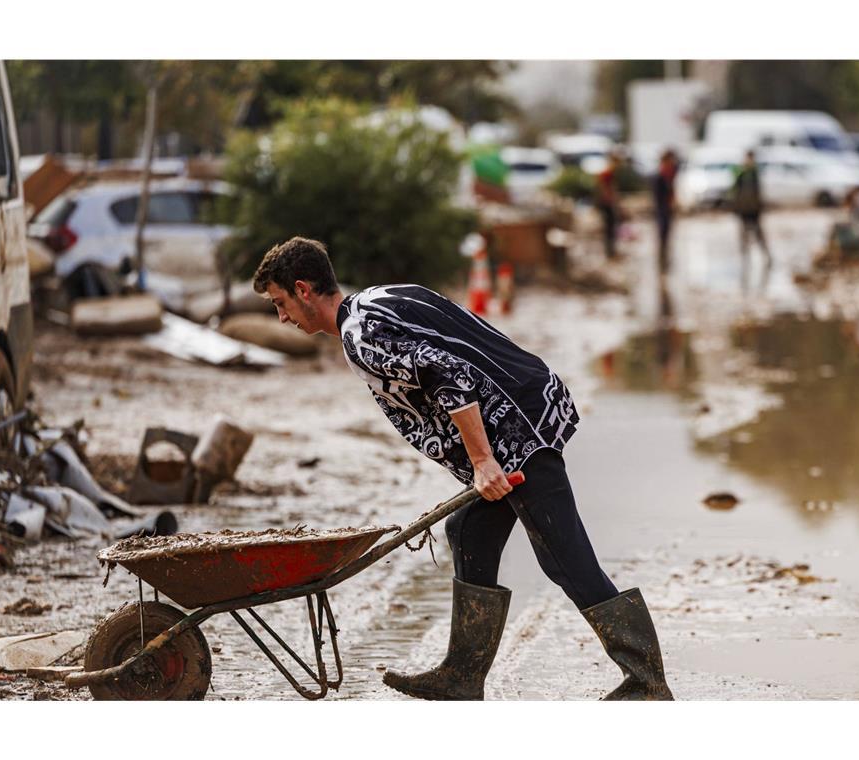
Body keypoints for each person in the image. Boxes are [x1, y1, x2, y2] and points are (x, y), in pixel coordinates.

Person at [251, 236, 673, 701]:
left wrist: (482, 460)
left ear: (304, 289)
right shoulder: (379, 298)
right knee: (468, 531)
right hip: (526, 406)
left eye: (281, 303)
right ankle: (462, 674)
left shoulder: (360, 335)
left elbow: (451, 376)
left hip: (515, 433)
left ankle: (646, 681)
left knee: (564, 556)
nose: (282, 318)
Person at [731, 150, 772, 289]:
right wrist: (736, 208)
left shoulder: (755, 174)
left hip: (754, 211)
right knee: (744, 236)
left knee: (759, 234)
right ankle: (745, 258)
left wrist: (760, 207)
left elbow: (758, 192)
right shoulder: (741, 174)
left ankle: (766, 256)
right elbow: (734, 192)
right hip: (744, 210)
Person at [652, 149, 678, 277]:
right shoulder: (661, 175)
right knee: (663, 234)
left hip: (667, 209)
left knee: (666, 235)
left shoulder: (669, 174)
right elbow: (658, 196)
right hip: (662, 209)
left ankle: (664, 260)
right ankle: (661, 261)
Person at [595, 152, 622, 259]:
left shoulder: (610, 173)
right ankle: (609, 252)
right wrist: (610, 201)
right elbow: (605, 189)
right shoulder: (607, 173)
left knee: (611, 227)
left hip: (608, 202)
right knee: (609, 227)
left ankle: (611, 251)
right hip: (606, 203)